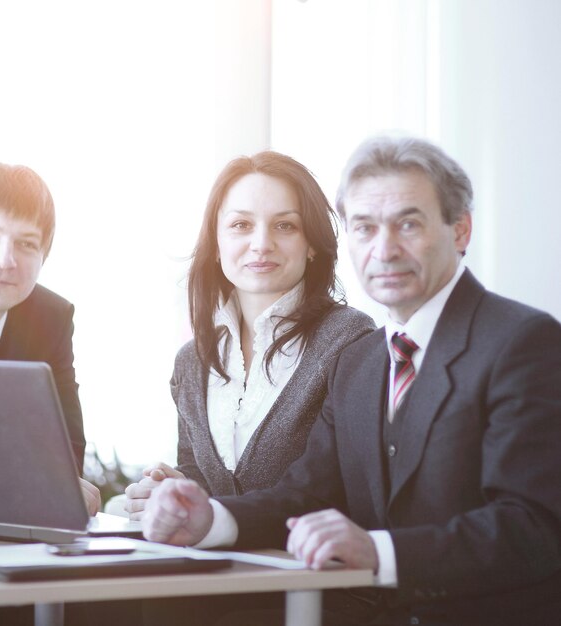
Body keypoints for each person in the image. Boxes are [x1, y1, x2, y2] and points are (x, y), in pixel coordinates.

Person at [142, 136, 561, 626]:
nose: (384, 248)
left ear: (461, 230)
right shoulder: (362, 361)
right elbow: (306, 494)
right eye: (364, 227)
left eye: (408, 223)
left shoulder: (523, 342)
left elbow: (535, 525)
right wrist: (210, 519)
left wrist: (379, 552)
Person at [123, 150, 375, 516]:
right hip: (218, 570)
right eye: (241, 225)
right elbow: (206, 486)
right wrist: (174, 492)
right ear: (216, 243)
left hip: (314, 569)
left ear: (311, 246)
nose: (261, 244)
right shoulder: (192, 362)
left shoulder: (349, 339)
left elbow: (330, 488)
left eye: (285, 225)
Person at [0, 164, 100, 626]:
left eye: (27, 244)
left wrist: (67, 488)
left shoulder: (50, 316)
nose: (5, 259)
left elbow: (66, 448)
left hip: (2, 551)